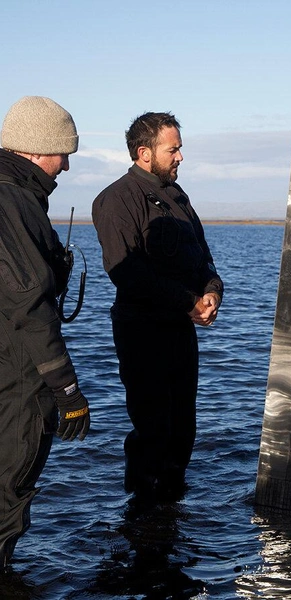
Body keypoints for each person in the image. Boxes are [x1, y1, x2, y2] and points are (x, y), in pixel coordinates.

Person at [92, 112, 223, 503]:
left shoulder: (179, 198)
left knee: (183, 429)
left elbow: (204, 260)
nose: (180, 156)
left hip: (180, 332)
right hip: (142, 331)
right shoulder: (116, 199)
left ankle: (172, 509)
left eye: (180, 148)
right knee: (153, 429)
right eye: (174, 149)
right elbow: (127, 273)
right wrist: (187, 303)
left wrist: (212, 293)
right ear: (144, 153)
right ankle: (143, 521)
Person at [0, 96, 91, 568]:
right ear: (37, 151)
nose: (67, 167)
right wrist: (68, 391)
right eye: (64, 154)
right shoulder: (11, 202)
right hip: (16, 383)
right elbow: (31, 308)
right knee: (5, 501)